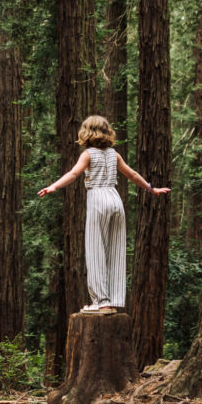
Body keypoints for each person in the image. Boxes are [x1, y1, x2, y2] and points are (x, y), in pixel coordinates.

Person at [38, 115, 170, 314]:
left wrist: (53, 186)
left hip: (98, 198)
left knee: (95, 250)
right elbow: (132, 174)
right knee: (115, 250)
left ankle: (100, 301)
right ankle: (113, 299)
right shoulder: (114, 154)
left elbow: (74, 174)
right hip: (115, 199)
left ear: (87, 132)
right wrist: (151, 189)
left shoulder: (88, 154)